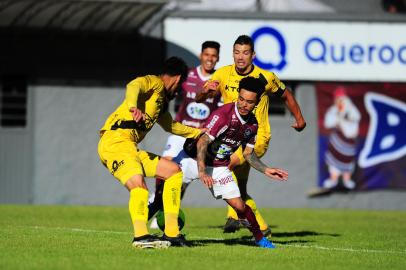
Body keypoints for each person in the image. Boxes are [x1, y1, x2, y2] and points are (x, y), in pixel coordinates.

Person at [198, 35, 306, 234]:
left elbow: (286, 94)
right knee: (239, 188)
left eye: (245, 52)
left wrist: (299, 118)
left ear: (253, 55)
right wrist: (206, 92)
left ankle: (233, 216)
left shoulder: (266, 77)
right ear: (232, 54)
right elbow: (200, 97)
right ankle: (262, 229)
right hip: (232, 140)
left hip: (256, 138)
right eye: (237, 52)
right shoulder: (222, 74)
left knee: (226, 165)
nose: (241, 57)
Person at [97, 57, 203, 248]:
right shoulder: (154, 83)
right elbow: (133, 85)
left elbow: (171, 126)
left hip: (129, 147)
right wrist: (132, 106)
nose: (179, 91)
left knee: (173, 171)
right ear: (178, 79)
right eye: (180, 86)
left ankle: (171, 233)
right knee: (139, 186)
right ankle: (140, 237)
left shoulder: (161, 102)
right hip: (115, 142)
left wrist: (199, 133)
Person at [181, 76, 288, 248]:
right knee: (167, 184)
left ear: (257, 102)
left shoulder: (252, 124)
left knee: (240, 206)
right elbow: (202, 141)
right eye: (241, 99)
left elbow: (248, 154)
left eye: (249, 102)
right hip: (193, 159)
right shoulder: (223, 115)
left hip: (219, 167)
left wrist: (266, 170)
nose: (243, 104)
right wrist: (201, 171)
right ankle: (160, 232)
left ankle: (260, 238)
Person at [148, 41, 222, 228]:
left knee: (184, 179)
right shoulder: (187, 75)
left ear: (218, 58)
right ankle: (158, 202)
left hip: (201, 135)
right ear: (201, 55)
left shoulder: (220, 81)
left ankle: (168, 212)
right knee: (166, 164)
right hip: (181, 130)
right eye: (207, 54)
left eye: (214, 55)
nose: (210, 59)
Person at [323, 87, 361, 190]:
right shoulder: (333, 110)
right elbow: (328, 123)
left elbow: (356, 118)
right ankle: (333, 180)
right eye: (337, 99)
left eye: (341, 99)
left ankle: (347, 180)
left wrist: (344, 116)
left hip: (348, 143)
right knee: (334, 163)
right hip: (337, 143)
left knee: (347, 164)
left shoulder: (351, 110)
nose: (339, 101)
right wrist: (338, 117)